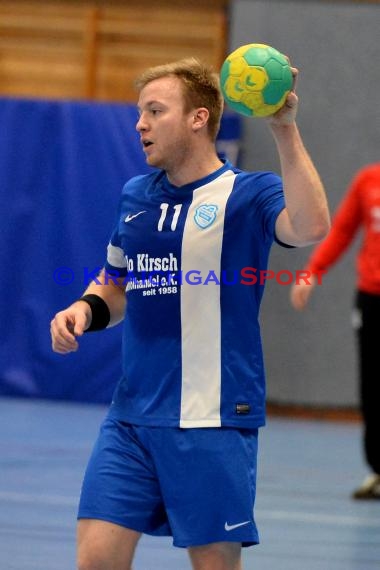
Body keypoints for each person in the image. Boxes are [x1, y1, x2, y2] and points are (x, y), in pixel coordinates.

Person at [50, 57, 330, 570]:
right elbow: (116, 285)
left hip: (212, 418)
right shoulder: (135, 197)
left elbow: (311, 226)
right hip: (131, 418)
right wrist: (82, 311)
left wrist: (284, 128)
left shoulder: (248, 194)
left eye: (155, 111)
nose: (140, 124)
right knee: (95, 560)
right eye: (140, 112)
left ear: (198, 119)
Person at [290, 162, 380, 500]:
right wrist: (313, 271)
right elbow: (342, 230)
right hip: (372, 299)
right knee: (372, 386)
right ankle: (378, 471)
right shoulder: (369, 180)